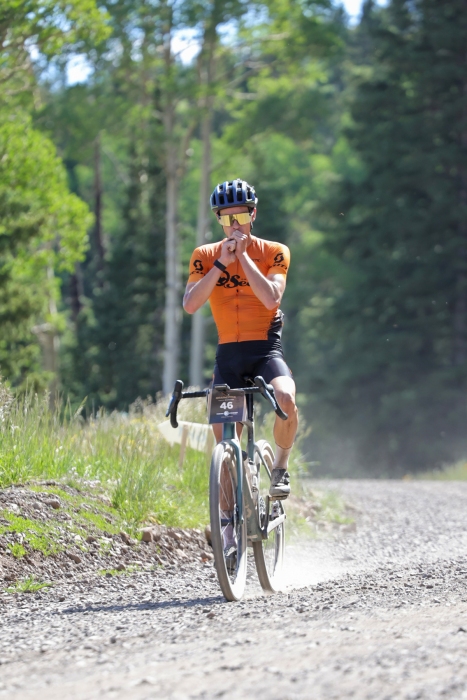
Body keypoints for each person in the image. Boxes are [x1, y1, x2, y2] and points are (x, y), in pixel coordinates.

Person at [183, 178, 298, 505]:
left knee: (286, 398)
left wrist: (244, 257)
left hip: (264, 351)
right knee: (225, 454)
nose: (234, 226)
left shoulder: (274, 252)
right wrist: (221, 262)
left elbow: (270, 298)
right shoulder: (204, 255)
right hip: (228, 358)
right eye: (226, 219)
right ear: (217, 219)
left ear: (253, 214)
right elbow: (190, 305)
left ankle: (280, 466)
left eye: (241, 218)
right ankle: (230, 532)